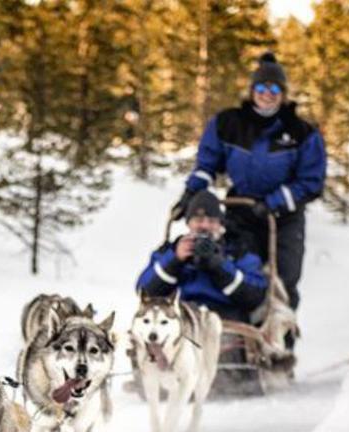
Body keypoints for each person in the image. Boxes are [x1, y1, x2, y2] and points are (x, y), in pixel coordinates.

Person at [171, 52, 326, 314]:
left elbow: (311, 181)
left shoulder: (301, 132)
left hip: (284, 216)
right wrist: (191, 192)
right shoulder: (229, 123)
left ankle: (279, 337)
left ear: (283, 93)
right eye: (262, 87)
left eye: (275, 88)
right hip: (240, 209)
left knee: (283, 277)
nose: (268, 93)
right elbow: (208, 162)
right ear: (253, 90)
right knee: (240, 269)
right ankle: (235, 325)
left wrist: (273, 203)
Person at [137, 191, 267, 323]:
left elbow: (255, 296)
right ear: (189, 223)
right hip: (182, 319)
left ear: (220, 225)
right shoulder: (171, 250)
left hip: (227, 321)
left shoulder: (237, 251)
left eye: (211, 221)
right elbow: (144, 292)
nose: (204, 226)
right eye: (198, 220)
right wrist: (175, 261)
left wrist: (219, 267)